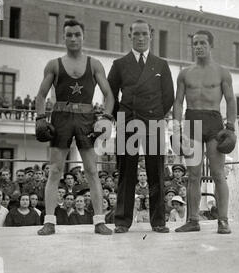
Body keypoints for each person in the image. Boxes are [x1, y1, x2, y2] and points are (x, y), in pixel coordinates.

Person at [35, 19, 115, 235]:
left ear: (83, 36)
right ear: (64, 37)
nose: (73, 38)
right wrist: (40, 118)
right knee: (54, 170)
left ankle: (99, 221)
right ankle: (49, 221)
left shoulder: (94, 64)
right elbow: (41, 95)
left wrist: (106, 118)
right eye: (69, 35)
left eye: (77, 34)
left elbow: (109, 95)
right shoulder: (53, 64)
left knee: (91, 170)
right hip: (60, 116)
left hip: (86, 117)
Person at [107, 19, 174, 234]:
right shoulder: (120, 64)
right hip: (128, 121)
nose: (141, 38)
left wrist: (154, 113)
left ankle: (159, 221)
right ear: (130, 36)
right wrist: (123, 113)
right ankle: (122, 221)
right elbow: (110, 94)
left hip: (153, 121)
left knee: (156, 172)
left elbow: (169, 96)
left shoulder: (161, 64)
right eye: (136, 34)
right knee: (127, 172)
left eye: (144, 34)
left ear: (151, 36)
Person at [173, 30, 236, 234]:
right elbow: (178, 101)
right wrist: (176, 127)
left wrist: (231, 127)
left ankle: (223, 220)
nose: (198, 46)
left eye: (202, 43)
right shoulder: (185, 73)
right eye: (195, 43)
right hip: (192, 121)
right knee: (193, 175)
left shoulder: (221, 72)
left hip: (214, 121)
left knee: (218, 174)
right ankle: (193, 220)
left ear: (211, 45)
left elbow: (231, 100)